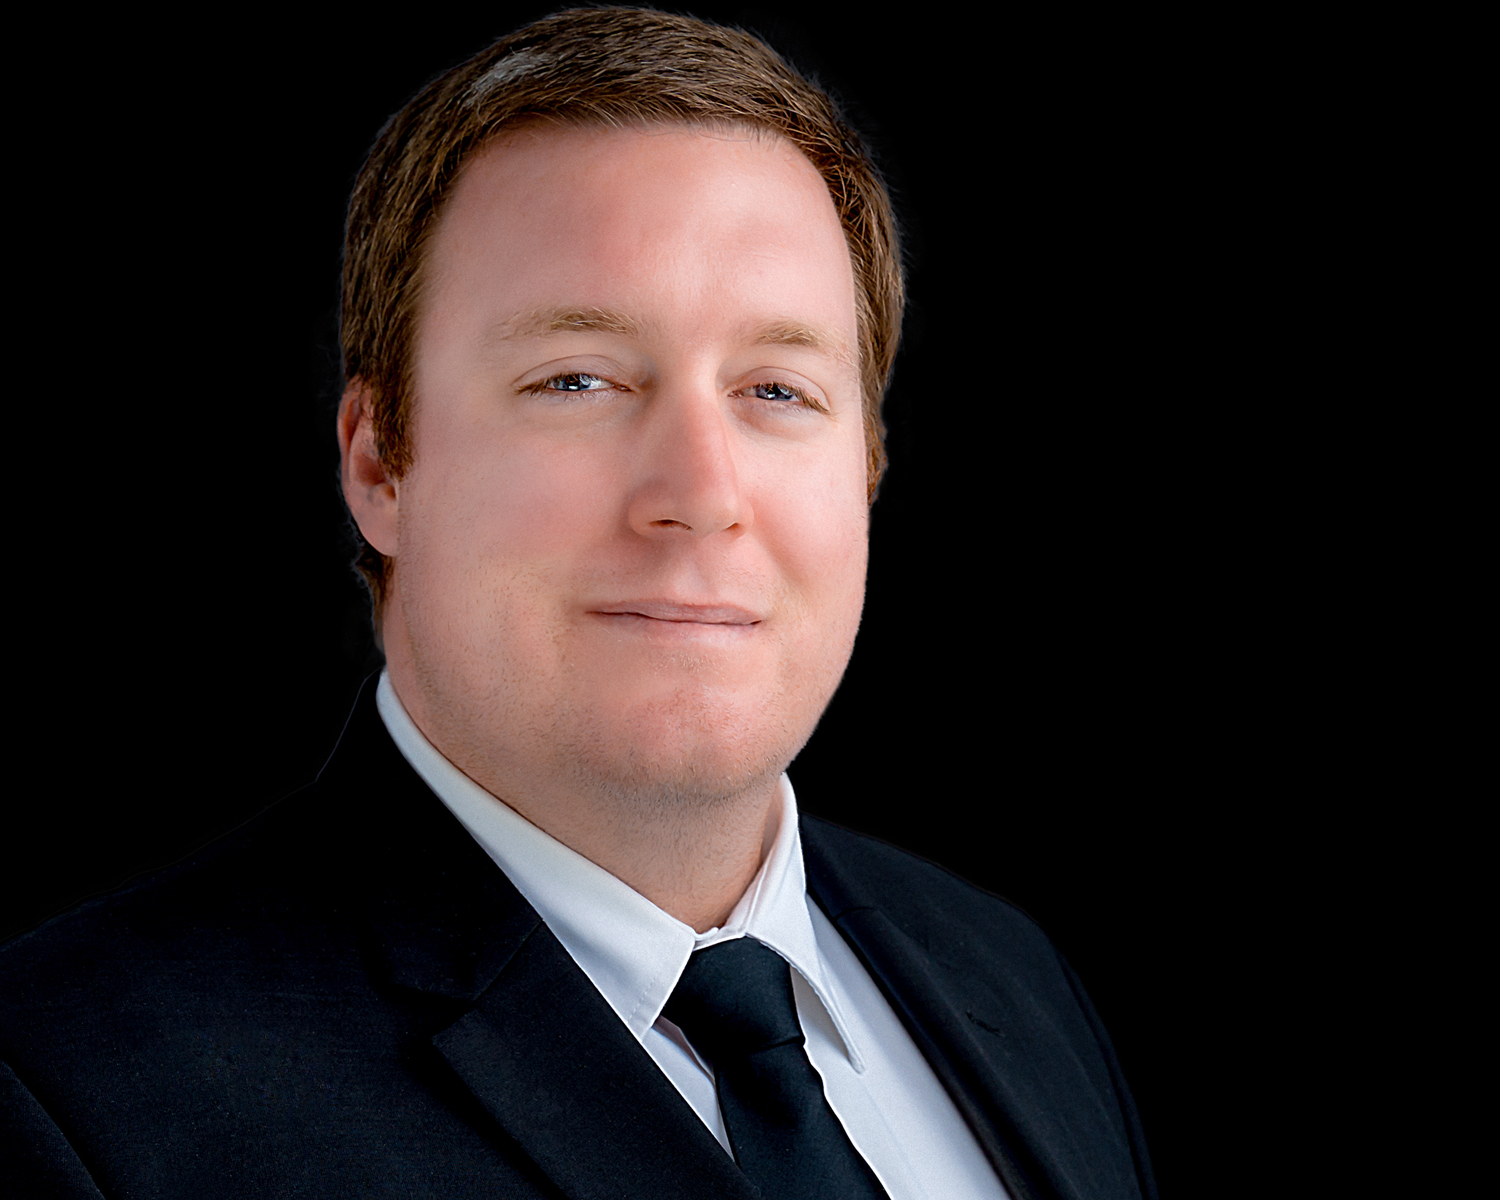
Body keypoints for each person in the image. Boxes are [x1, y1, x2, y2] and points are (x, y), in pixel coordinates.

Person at [1, 9, 1155, 1199]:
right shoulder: (62, 1095)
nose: (701, 495)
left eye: (777, 389)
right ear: (381, 464)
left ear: (866, 466)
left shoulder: (1009, 977)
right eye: (578, 380)